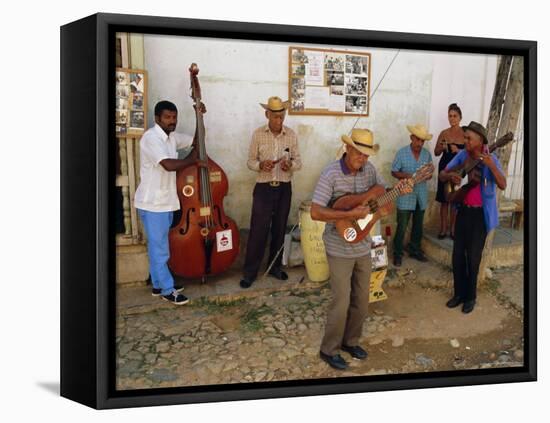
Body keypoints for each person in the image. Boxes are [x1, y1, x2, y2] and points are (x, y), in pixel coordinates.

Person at [310, 128, 412, 370]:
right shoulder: (330, 173)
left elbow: (382, 198)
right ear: (347, 148)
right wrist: (349, 213)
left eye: (367, 155)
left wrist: (399, 191)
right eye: (359, 153)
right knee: (341, 300)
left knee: (361, 299)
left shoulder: (370, 171)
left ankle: (350, 341)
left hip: (363, 245)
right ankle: (329, 349)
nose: (363, 159)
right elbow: (316, 211)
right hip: (338, 246)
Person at [134, 100, 204, 305]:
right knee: (160, 249)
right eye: (167, 117)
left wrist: (200, 117)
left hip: (166, 202)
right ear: (157, 118)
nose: (172, 121)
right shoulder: (151, 138)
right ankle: (167, 289)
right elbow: (168, 165)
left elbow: (198, 141)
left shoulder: (172, 137)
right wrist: (193, 160)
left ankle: (158, 284)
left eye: (174, 117)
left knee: (158, 246)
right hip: (152, 203)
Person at [439, 121, 506, 314]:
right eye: (465, 137)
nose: (465, 140)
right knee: (457, 255)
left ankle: (471, 297)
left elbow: (502, 184)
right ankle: (458, 294)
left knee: (473, 257)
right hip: (463, 211)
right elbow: (443, 174)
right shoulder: (462, 155)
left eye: (468, 138)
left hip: (480, 216)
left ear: (480, 140)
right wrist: (451, 176)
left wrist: (491, 166)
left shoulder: (490, 158)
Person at [239, 96, 302, 288]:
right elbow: (250, 161)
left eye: (282, 117)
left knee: (280, 228)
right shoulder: (258, 134)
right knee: (258, 229)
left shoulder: (291, 135)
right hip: (264, 188)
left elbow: (299, 162)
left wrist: (289, 165)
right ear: (267, 114)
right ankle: (250, 272)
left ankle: (275, 267)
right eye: (275, 117)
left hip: (284, 188)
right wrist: (260, 165)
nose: (279, 121)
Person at [391, 124, 434, 267]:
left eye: (422, 141)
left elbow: (430, 173)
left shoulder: (426, 154)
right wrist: (409, 176)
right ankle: (397, 253)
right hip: (404, 196)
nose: (420, 143)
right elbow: (394, 171)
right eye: (417, 140)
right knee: (402, 226)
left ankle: (414, 249)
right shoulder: (402, 153)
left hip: (420, 195)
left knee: (418, 226)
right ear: (411, 138)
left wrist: (426, 175)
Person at [434, 103, 465, 239]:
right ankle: (443, 229)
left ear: (460, 117)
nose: (452, 118)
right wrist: (442, 147)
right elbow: (436, 152)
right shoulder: (444, 133)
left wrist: (458, 150)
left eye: (455, 116)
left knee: (454, 200)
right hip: (444, 169)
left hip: (457, 170)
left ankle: (453, 229)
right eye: (450, 116)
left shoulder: (464, 134)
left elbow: (470, 153)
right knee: (444, 200)